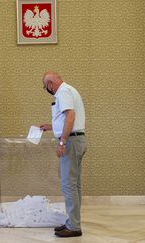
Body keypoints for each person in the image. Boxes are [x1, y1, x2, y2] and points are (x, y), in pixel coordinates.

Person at [40, 71, 87, 238]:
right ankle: (72, 222)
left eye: (46, 87)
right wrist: (52, 126)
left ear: (51, 83)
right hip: (75, 140)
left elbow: (71, 116)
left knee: (68, 185)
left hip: (71, 142)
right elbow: (66, 118)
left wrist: (62, 142)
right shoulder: (67, 90)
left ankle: (74, 226)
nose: (47, 90)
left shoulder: (63, 92)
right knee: (74, 185)